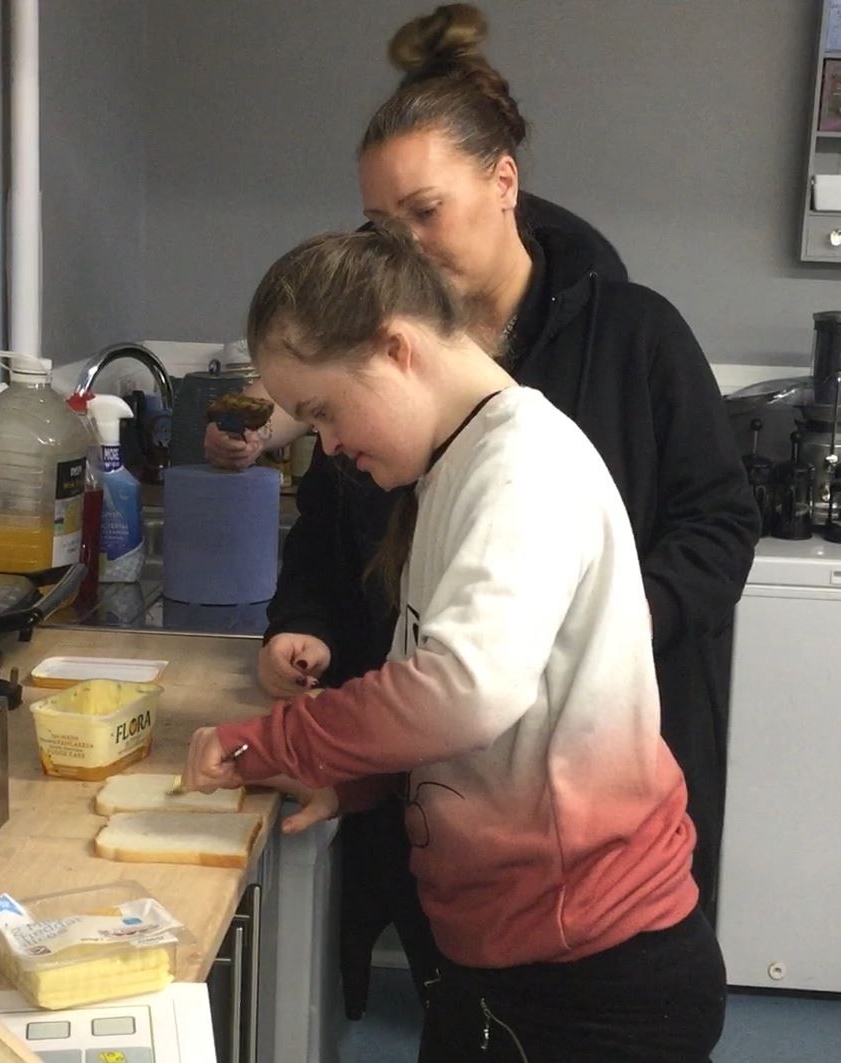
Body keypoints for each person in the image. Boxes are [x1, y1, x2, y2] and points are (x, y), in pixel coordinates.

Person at [204, 4, 759, 1011]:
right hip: (480, 855)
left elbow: (473, 682)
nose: (403, 245)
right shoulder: (431, 444)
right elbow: (388, 606)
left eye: (424, 212)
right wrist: (341, 710)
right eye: (380, 226)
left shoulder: (550, 417)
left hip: (584, 905)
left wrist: (271, 742)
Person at [182, 222, 728, 1062]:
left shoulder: (522, 468)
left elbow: (467, 691)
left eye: (324, 410)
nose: (325, 444)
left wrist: (269, 739)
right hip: (517, 958)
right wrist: (354, 776)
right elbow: (467, 714)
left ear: (394, 349)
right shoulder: (456, 467)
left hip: (591, 973)